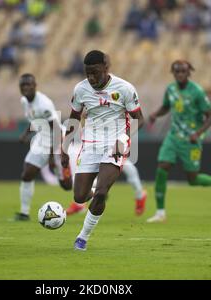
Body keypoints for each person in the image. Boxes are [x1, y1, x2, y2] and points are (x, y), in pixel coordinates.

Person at [61, 50, 145, 251]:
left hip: (115, 145)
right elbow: (73, 119)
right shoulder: (81, 89)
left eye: (95, 72)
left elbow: (139, 119)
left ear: (106, 69)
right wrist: (64, 147)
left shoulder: (124, 88)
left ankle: (82, 237)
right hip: (90, 145)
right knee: (80, 197)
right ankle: (94, 196)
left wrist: (123, 139)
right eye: (87, 73)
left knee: (101, 193)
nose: (91, 78)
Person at [146, 60, 211, 224]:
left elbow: (210, 117)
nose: (179, 74)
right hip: (173, 136)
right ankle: (160, 212)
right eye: (176, 71)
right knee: (162, 167)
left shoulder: (197, 92)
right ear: (173, 73)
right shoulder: (170, 89)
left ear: (188, 72)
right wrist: (155, 114)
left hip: (191, 139)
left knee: (193, 179)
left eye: (183, 71)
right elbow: (166, 107)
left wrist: (198, 133)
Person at [65, 109, 147, 216]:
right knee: (87, 177)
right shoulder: (90, 108)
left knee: (128, 168)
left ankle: (140, 195)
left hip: (114, 143)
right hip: (96, 146)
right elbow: (83, 117)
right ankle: (82, 202)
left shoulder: (113, 107)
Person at [15, 73, 72, 221]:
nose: (26, 87)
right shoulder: (24, 101)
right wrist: (25, 134)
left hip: (57, 140)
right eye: (23, 85)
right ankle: (24, 213)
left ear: (35, 86)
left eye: (29, 85)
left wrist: (53, 157)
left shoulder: (44, 104)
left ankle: (93, 186)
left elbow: (57, 130)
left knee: (66, 185)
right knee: (27, 174)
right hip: (42, 139)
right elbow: (35, 120)